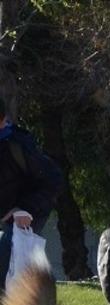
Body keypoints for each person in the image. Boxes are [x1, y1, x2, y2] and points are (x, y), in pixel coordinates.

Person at [0, 97, 64, 292]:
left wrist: (24, 209)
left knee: (9, 253)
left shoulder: (18, 145)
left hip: (25, 212)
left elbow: (53, 180)